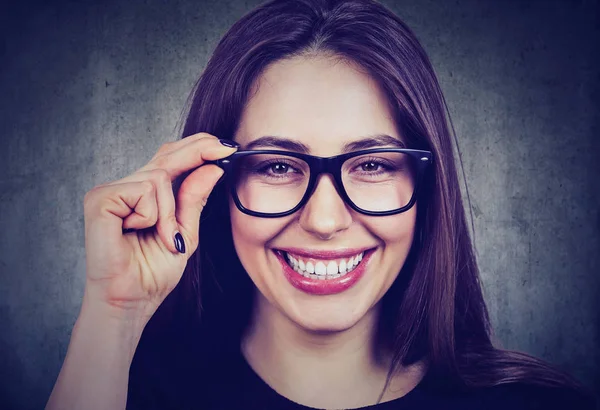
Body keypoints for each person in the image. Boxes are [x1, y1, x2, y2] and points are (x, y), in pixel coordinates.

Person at [46, 0, 597, 409]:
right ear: (209, 185)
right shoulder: (124, 389)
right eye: (278, 167)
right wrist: (113, 316)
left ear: (427, 189)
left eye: (374, 165)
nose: (326, 221)